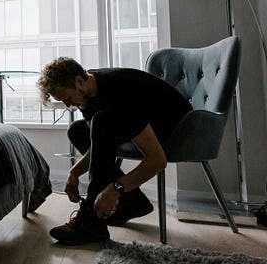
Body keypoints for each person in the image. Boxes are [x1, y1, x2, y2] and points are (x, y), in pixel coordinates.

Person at [37, 57, 192, 245]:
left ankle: (92, 223)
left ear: (79, 82)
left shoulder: (119, 93)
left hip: (179, 127)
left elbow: (157, 160)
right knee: (77, 130)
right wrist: (74, 172)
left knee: (102, 121)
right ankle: (133, 202)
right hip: (143, 122)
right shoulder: (88, 96)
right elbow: (97, 145)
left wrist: (116, 189)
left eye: (68, 98)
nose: (69, 105)